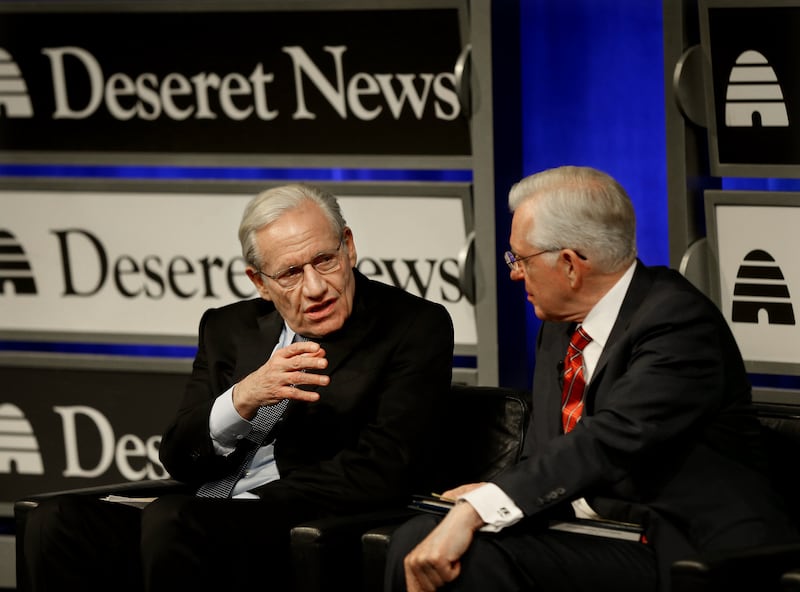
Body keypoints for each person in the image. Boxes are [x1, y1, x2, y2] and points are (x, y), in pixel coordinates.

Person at [23, 183, 454, 591]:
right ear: (259, 282)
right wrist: (242, 399)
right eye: (290, 273)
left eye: (325, 260)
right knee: (56, 519)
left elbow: (385, 468)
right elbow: (179, 456)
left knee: (175, 519)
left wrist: (243, 504)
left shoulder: (412, 327)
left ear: (350, 246)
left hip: (300, 519)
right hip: (200, 511)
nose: (317, 286)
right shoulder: (227, 327)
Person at [386, 165, 799, 592]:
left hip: (679, 544)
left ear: (569, 265)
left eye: (520, 259)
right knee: (414, 538)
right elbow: (553, 451)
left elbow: (608, 441)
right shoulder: (558, 326)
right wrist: (494, 490)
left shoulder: (677, 322)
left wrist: (481, 508)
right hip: (589, 531)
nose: (513, 273)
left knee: (473, 558)